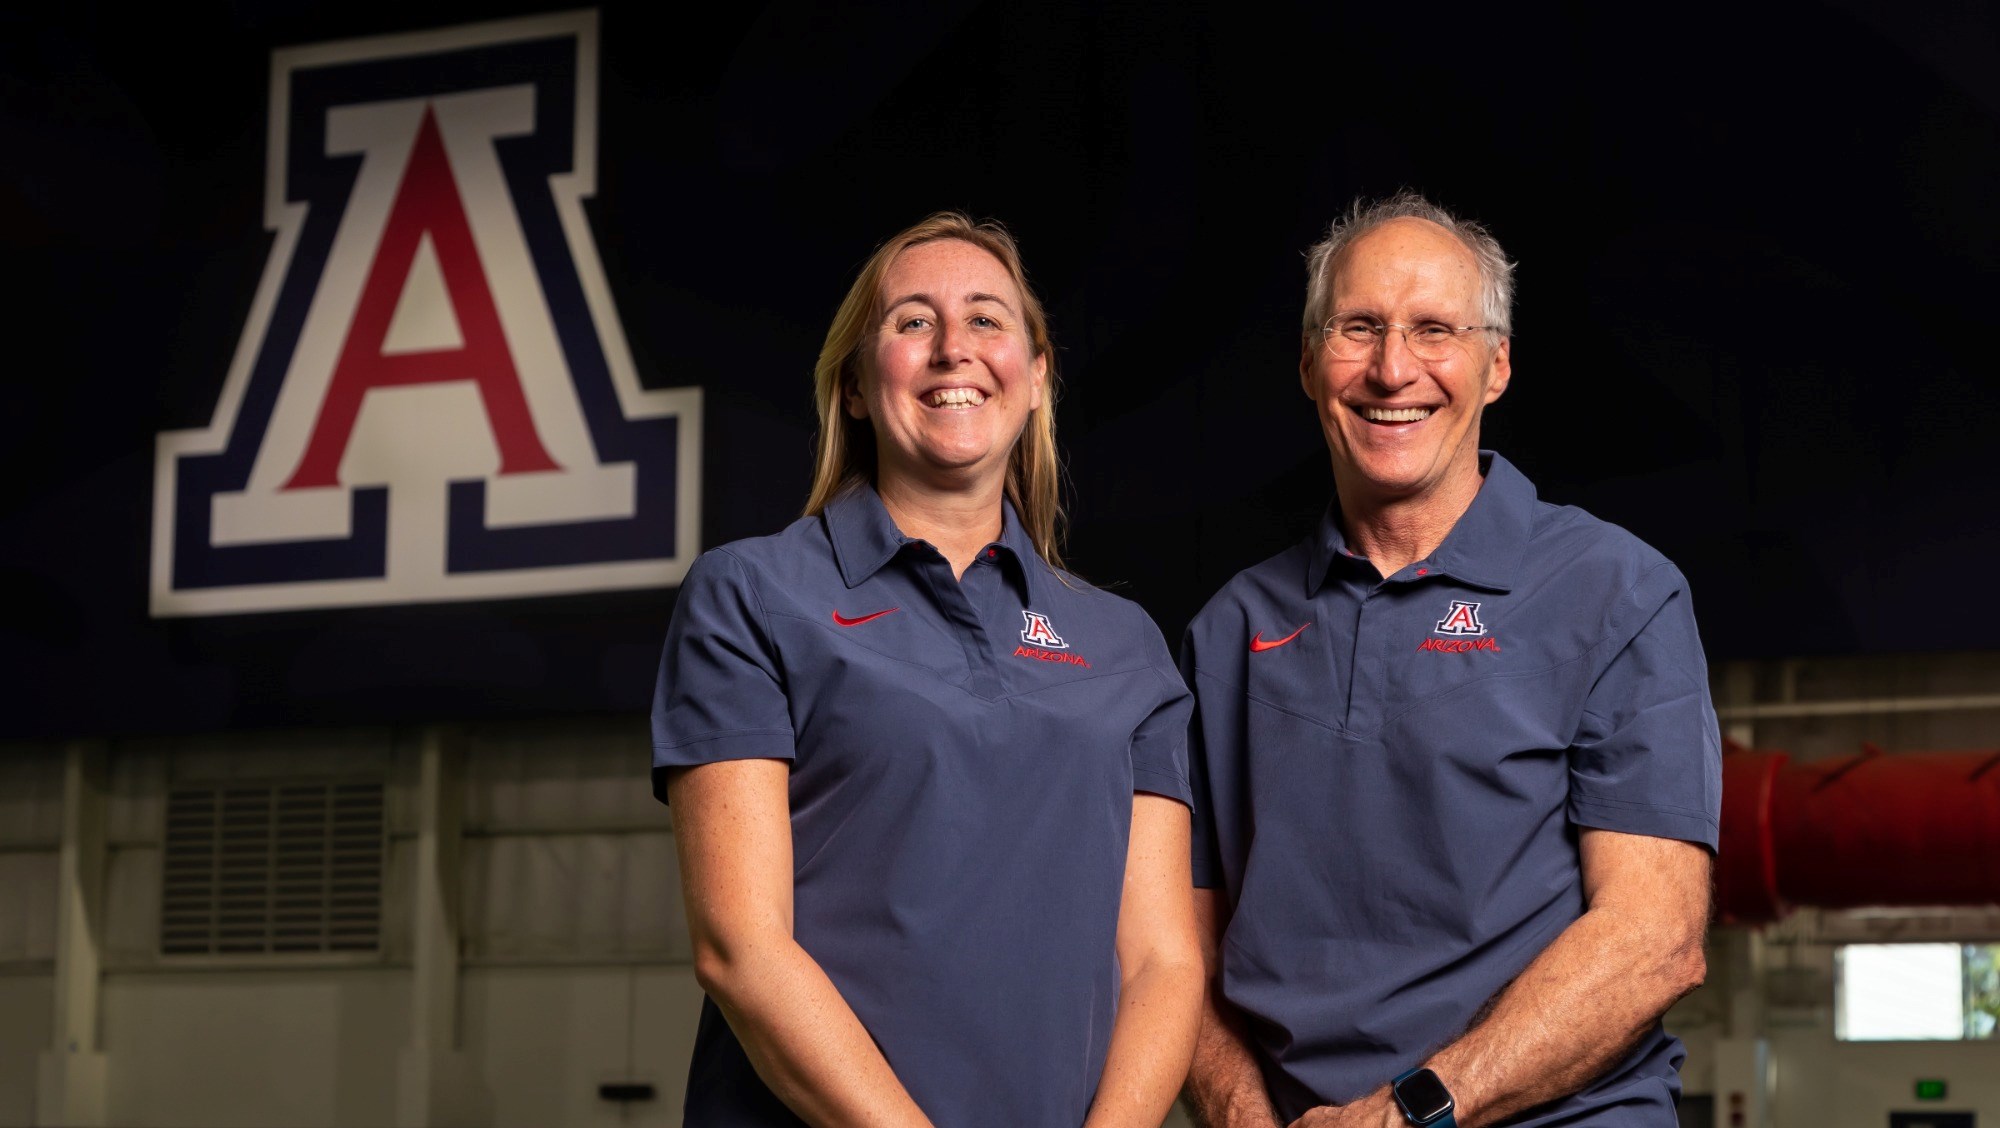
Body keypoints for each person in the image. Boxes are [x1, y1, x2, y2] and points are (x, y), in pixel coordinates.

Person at [1179, 194, 1720, 1128]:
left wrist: (1409, 1113)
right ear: (1309, 365)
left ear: (1496, 364)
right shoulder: (1228, 632)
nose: (1394, 370)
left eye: (1435, 330)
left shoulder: (1617, 591)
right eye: (1358, 329)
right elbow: (1175, 955)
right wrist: (1246, 1119)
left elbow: (1654, 938)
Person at [651, 212, 1202, 1127]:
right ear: (859, 386)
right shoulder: (750, 595)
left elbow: (1162, 964)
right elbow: (740, 948)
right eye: (912, 322)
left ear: (1034, 380)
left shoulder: (1126, 645)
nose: (955, 349)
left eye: (988, 320)